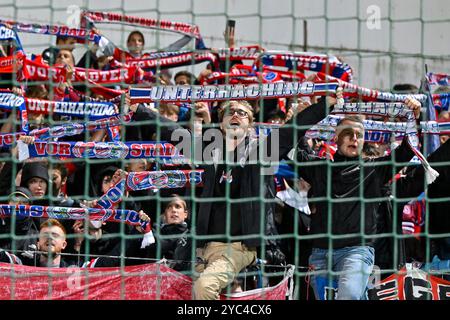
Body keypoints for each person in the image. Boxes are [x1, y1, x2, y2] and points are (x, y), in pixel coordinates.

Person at [298, 97, 421, 300]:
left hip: (356, 252)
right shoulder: (319, 168)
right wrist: (300, 117)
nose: (354, 138)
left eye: (359, 135)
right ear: (335, 138)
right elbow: (286, 147)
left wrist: (415, 118)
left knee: (349, 297)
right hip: (320, 254)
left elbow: (408, 150)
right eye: (347, 133)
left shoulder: (374, 170)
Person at [0, 219, 72, 268]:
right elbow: (5, 256)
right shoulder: (24, 264)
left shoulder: (70, 271)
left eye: (55, 235)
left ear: (64, 245)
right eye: (45, 235)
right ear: (38, 244)